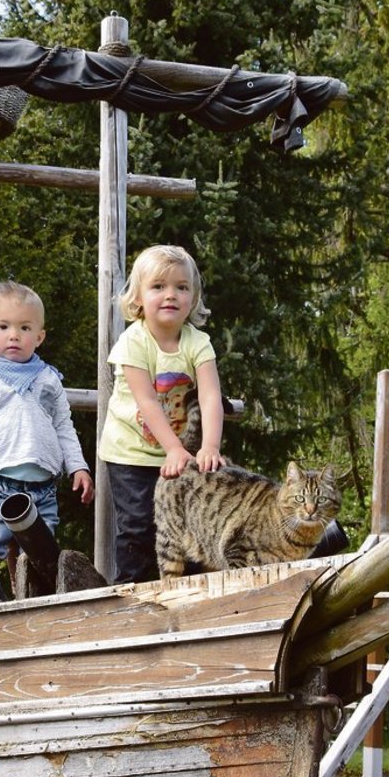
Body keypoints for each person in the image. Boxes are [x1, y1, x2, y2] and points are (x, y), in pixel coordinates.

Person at [0, 281, 95, 605]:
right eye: (4, 327)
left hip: (42, 490)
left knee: (42, 557)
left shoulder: (48, 379)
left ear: (39, 336)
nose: (14, 335)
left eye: (24, 327)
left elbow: (63, 426)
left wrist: (78, 467)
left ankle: (37, 608)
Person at [98, 244, 224, 584]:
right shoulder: (133, 342)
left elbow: (211, 396)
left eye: (181, 287)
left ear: (193, 298)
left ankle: (191, 588)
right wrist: (172, 448)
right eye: (158, 287)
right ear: (138, 297)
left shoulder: (198, 342)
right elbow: (147, 401)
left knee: (189, 518)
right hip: (132, 452)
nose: (171, 295)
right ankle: (131, 590)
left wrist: (209, 446)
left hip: (180, 454)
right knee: (139, 523)